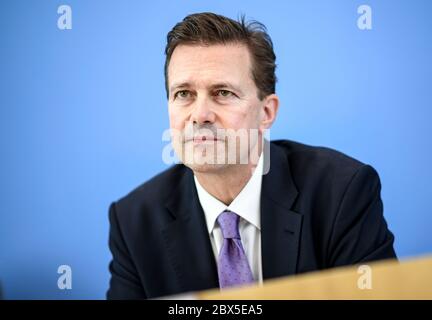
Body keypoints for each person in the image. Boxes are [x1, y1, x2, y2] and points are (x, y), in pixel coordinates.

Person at [106, 12, 396, 299]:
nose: (201, 115)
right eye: (183, 94)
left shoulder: (342, 193)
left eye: (222, 92)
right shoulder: (134, 222)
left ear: (266, 112)